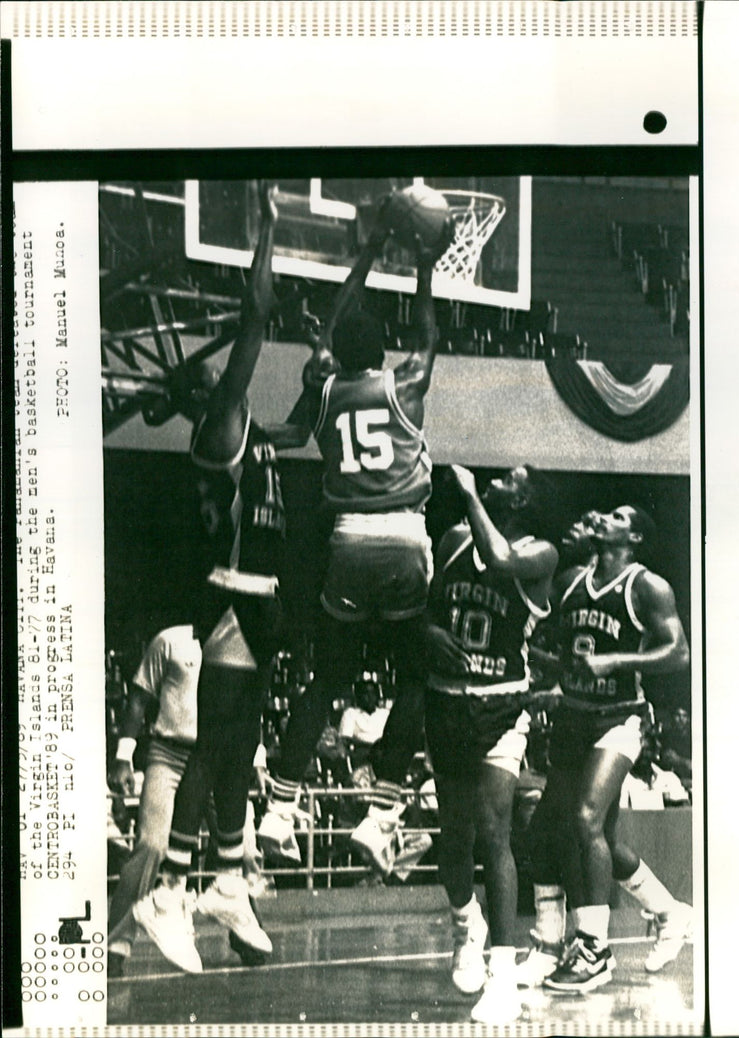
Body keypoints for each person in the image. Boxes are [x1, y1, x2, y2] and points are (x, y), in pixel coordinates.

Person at [132, 187, 309, 973]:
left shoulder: (252, 435)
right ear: (202, 402)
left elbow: (302, 428)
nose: (226, 381)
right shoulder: (218, 428)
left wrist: (316, 380)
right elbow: (255, 320)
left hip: (256, 599)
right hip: (232, 592)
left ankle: (229, 877)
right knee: (218, 741)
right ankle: (170, 887)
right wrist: (267, 237)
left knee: (239, 742)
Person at [258, 198, 451, 875]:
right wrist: (424, 269)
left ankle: (279, 807)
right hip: (401, 539)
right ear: (384, 353)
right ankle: (384, 812)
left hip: (344, 542)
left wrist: (365, 254)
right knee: (418, 678)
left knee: (330, 677)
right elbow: (427, 336)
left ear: (336, 350)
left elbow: (338, 320)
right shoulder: (408, 383)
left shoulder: (323, 386)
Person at [531, 505, 692, 992]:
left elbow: (679, 652)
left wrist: (615, 660)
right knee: (577, 831)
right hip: (573, 716)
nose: (603, 517)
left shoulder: (647, 586)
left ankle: (594, 949)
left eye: (618, 515)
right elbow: (561, 654)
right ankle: (669, 912)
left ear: (635, 535)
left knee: (584, 819)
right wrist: (538, 671)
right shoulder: (572, 581)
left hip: (619, 718)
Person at [424, 464, 558, 1025]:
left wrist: (472, 495)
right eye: (494, 478)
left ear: (524, 500)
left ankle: (502, 976)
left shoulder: (540, 554)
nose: (496, 479)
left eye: (509, 480)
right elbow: (426, 613)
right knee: (454, 839)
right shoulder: (454, 540)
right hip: (446, 699)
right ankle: (466, 927)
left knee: (493, 831)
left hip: (501, 704)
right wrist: (430, 632)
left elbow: (499, 559)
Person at [107, 624, 266, 977]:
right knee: (151, 846)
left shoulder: (239, 640)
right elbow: (138, 697)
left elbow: (244, 711)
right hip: (169, 754)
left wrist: (255, 761)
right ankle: (115, 942)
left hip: (220, 756)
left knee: (245, 847)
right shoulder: (168, 640)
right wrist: (123, 756)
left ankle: (244, 930)